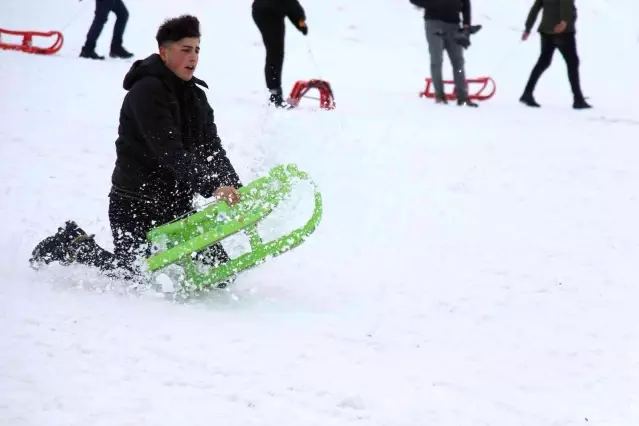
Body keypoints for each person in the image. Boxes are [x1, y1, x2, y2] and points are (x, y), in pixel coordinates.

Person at [31, 15, 243, 288]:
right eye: (185, 50)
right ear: (164, 52)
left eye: (197, 50)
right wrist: (214, 185)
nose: (193, 58)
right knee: (133, 279)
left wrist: (233, 186)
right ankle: (72, 243)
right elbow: (169, 151)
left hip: (175, 206)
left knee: (221, 274)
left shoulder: (196, 97)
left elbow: (211, 149)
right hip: (134, 204)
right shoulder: (146, 91)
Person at [520, 0, 591, 109]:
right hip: (562, 31)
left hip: (546, 30)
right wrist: (564, 21)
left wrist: (528, 28)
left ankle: (527, 93)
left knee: (544, 61)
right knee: (572, 62)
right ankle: (578, 99)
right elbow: (565, 3)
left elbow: (536, 7)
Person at [410, 0, 478, 107]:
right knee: (436, 59)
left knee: (458, 62)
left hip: (454, 25)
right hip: (434, 23)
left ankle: (462, 97)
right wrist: (433, 4)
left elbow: (466, 3)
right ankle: (439, 96)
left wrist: (466, 24)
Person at [252, 0, 308, 107]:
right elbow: (292, 6)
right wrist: (301, 22)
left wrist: (300, 22)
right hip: (269, 12)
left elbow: (290, 6)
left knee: (274, 52)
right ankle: (274, 95)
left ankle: (275, 93)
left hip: (262, 9)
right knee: (275, 53)